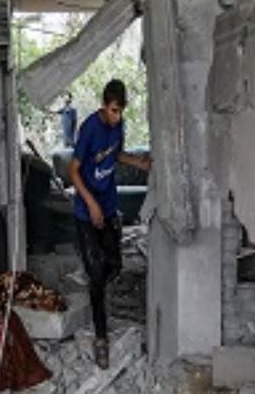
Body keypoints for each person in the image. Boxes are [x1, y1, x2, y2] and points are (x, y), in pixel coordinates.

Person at [68, 79, 151, 370]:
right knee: (97, 274)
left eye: (120, 111)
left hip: (109, 206)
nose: (117, 117)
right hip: (86, 211)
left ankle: (98, 282)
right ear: (104, 105)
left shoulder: (119, 126)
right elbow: (73, 171)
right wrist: (91, 204)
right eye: (113, 110)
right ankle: (101, 336)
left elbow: (116, 154)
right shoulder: (89, 128)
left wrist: (140, 163)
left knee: (115, 265)